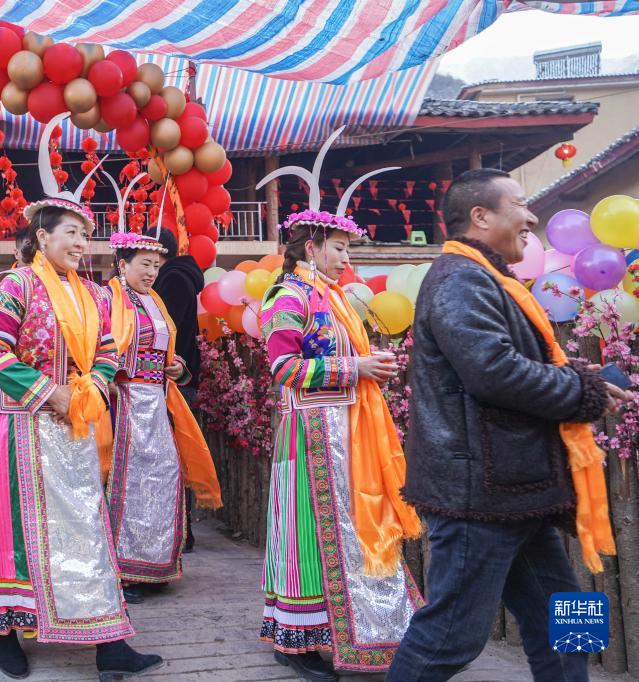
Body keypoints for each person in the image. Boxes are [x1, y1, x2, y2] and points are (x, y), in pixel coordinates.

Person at [388, 169, 630, 682]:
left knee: (571, 624)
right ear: (480, 216)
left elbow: (516, 362)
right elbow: (493, 371)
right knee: (450, 638)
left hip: (518, 491)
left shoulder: (488, 278)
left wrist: (579, 377)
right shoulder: (459, 278)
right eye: (520, 204)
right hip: (479, 497)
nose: (532, 217)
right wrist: (581, 391)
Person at [0, 113, 163, 681]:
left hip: (76, 428)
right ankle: (6, 632)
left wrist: (94, 387)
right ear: (42, 238)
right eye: (71, 234)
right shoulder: (16, 284)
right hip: (23, 429)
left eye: (85, 234)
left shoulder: (94, 295)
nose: (81, 243)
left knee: (85, 530)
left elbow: (107, 348)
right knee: (17, 534)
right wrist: (50, 393)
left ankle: (109, 642)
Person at [255, 131, 423, 680]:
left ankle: (352, 630)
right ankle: (296, 642)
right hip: (309, 433)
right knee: (306, 533)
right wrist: (357, 368)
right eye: (340, 248)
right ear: (311, 247)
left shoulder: (334, 298)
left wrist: (368, 366)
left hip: (344, 429)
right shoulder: (288, 296)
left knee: (351, 528)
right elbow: (283, 369)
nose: (347, 258)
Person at [103, 224, 222, 606]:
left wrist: (177, 367)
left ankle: (156, 565)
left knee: (163, 478)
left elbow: (169, 352)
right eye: (144, 264)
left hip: (156, 402)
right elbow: (94, 349)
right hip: (122, 403)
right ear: (123, 264)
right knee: (128, 484)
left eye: (156, 265)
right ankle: (124, 569)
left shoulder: (154, 300)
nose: (152, 272)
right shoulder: (107, 299)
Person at [145, 226, 204, 553]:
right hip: (176, 377)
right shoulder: (177, 277)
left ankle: (181, 531)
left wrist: (171, 365)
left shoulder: (173, 280)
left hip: (174, 378)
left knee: (173, 457)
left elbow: (169, 331)